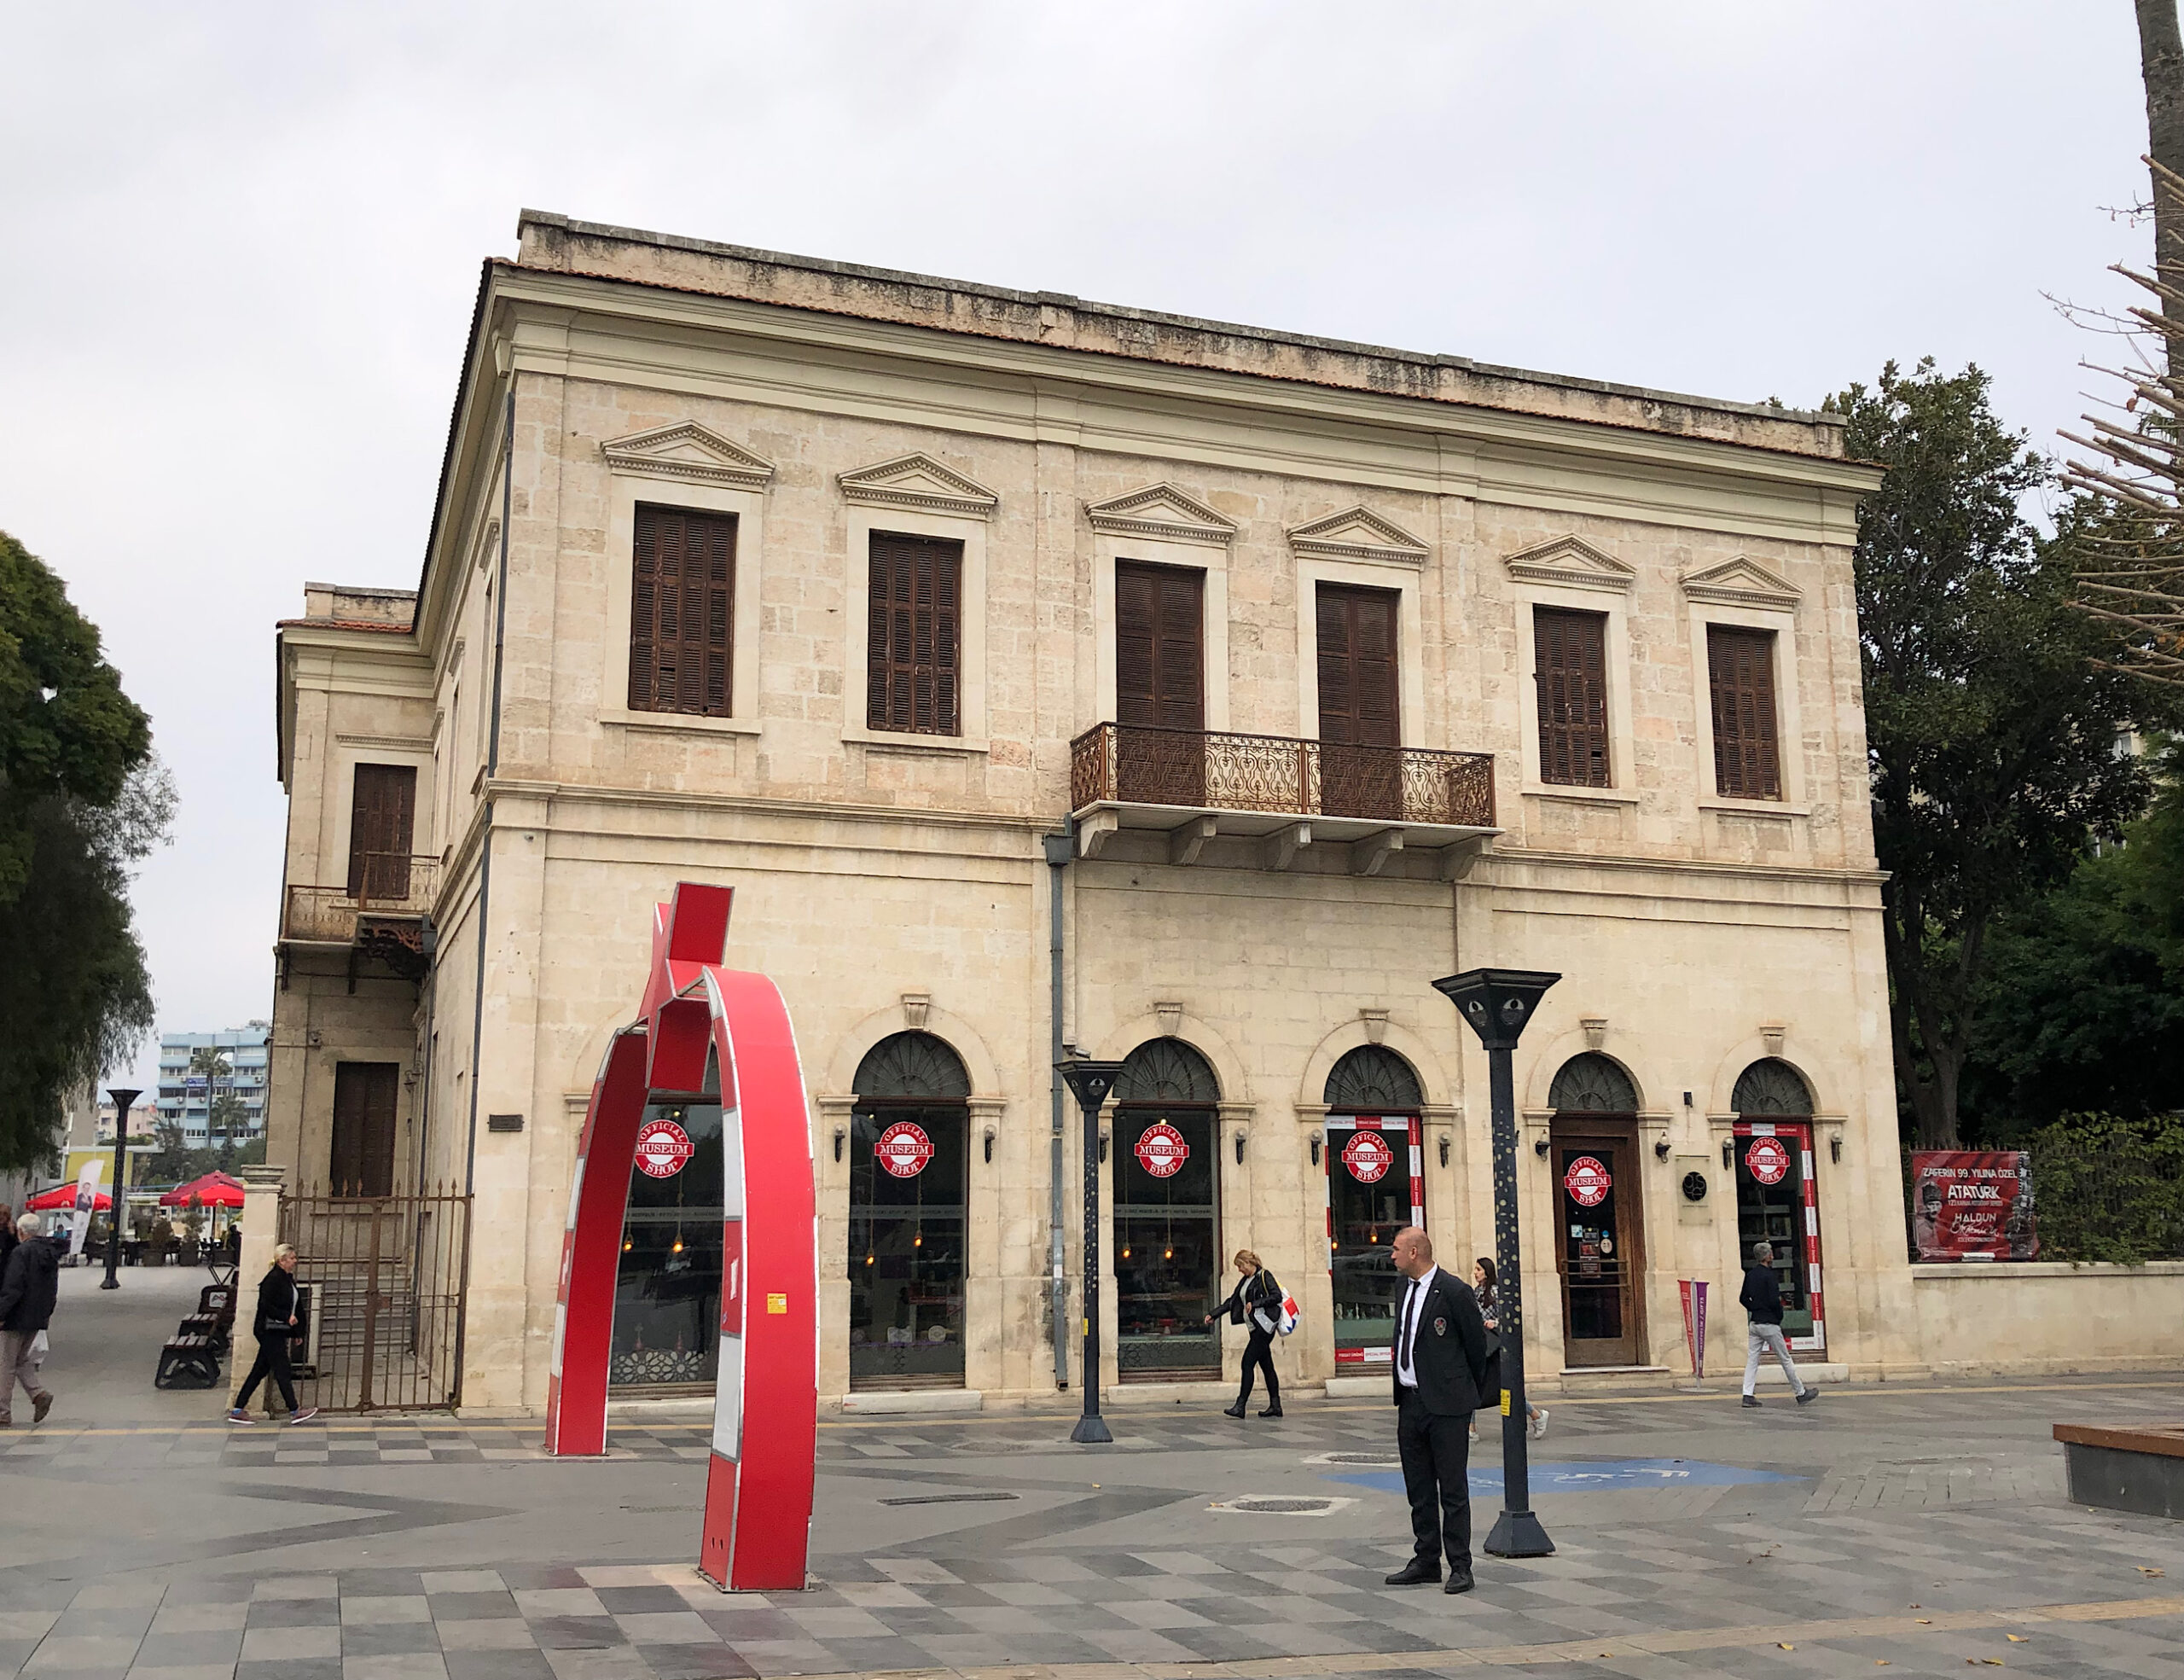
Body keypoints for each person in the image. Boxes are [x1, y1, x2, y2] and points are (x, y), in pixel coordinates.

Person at [1382, 1227, 1491, 1596]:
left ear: (1414, 1252)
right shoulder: (1402, 1287)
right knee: (1419, 1487)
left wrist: (1462, 1392)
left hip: (1447, 1405)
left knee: (1453, 1488)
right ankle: (1426, 1560)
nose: (1392, 1255)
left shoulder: (1454, 1291)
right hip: (1410, 1402)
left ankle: (1460, 1565)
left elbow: (1476, 1346)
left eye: (1396, 1249)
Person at [227, 1244, 319, 1424]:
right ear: (281, 1260)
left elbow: (297, 1307)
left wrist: (298, 1332)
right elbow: (265, 1305)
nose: (295, 1261)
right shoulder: (273, 1279)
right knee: (282, 1369)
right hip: (269, 1331)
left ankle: (237, 1410)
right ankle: (294, 1410)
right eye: (291, 1258)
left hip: (278, 1330)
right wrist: (285, 1316)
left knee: (259, 1371)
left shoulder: (287, 1279)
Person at [1470, 1257, 1547, 1442]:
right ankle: (1471, 1428)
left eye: (1479, 1269)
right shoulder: (1476, 1291)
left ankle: (1536, 1415)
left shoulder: (1496, 1291)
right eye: (1475, 1269)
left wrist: (1494, 1323)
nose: (1475, 1273)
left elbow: (1507, 1318)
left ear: (1487, 1271)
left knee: (1503, 1387)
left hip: (1494, 1347)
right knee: (1471, 1384)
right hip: (1481, 1344)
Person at [1204, 1248, 1283, 1419]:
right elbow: (1232, 1301)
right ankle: (1275, 1405)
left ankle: (1240, 1406)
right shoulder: (1245, 1281)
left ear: (1248, 1263)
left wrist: (1255, 1303)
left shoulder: (1264, 1276)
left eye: (1240, 1266)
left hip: (1264, 1328)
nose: (1239, 1270)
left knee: (1247, 1364)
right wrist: (1214, 1314)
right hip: (1254, 1329)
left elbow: (1277, 1296)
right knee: (1267, 1366)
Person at [1740, 1240, 1817, 1409]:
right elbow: (1775, 1301)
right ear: (1767, 1256)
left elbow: (1743, 1298)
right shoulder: (1769, 1276)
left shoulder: (1750, 1275)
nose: (1773, 1256)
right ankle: (1800, 1392)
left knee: (1752, 1360)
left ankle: (1747, 1394)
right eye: (1771, 1253)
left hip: (1755, 1323)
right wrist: (1778, 1316)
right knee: (1785, 1359)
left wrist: (1755, 1308)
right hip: (1770, 1323)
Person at [0, 1212, 59, 1427]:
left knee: (5, 1364)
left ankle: (3, 1412)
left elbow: (13, 1286)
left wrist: (2, 1313)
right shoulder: (49, 1253)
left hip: (16, 1316)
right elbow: (52, 1288)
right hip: (37, 1316)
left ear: (21, 1231)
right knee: (20, 1359)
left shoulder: (21, 1253)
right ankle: (38, 1394)